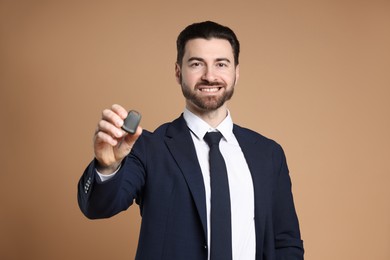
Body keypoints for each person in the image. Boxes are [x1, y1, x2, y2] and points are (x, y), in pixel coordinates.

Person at [78, 21, 304, 260]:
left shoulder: (268, 154)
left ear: (236, 73)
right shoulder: (148, 148)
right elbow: (97, 207)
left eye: (221, 64)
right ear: (178, 72)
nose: (209, 76)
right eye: (197, 64)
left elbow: (285, 242)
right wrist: (107, 166)